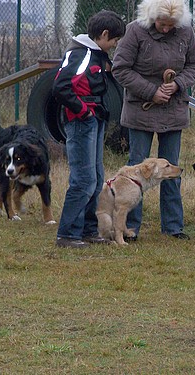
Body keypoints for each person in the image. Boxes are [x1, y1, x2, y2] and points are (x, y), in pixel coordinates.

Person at [112, 0, 195, 241]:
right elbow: (120, 68)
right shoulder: (135, 31)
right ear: (153, 18)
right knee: (135, 170)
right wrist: (151, 91)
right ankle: (130, 228)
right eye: (162, 24)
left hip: (174, 110)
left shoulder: (186, 33)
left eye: (171, 25)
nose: (166, 29)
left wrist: (178, 84)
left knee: (172, 168)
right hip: (140, 110)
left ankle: (173, 227)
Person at [53, 10, 126, 249]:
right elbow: (61, 87)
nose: (115, 45)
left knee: (95, 178)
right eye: (114, 40)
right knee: (83, 180)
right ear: (104, 34)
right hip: (81, 122)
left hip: (94, 119)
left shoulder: (97, 54)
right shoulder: (80, 53)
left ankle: (86, 229)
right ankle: (67, 234)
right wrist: (83, 110)